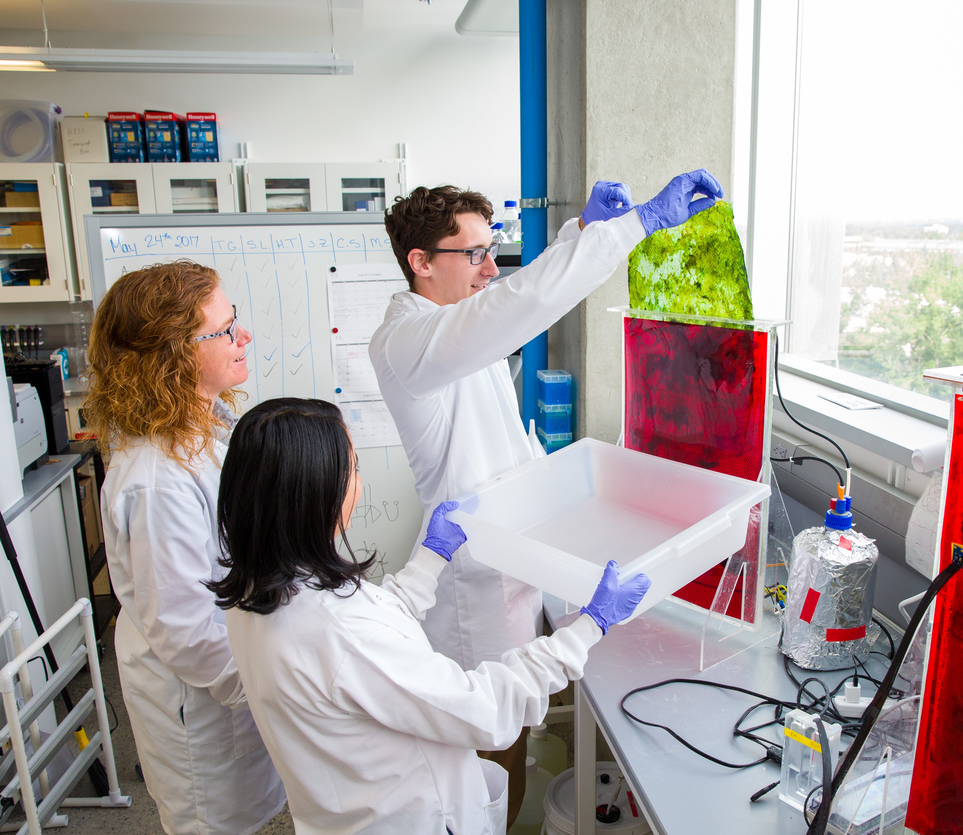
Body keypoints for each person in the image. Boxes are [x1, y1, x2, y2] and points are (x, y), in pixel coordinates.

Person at [370, 170, 722, 819]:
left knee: (514, 736)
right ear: (420, 263)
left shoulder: (452, 322)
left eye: (491, 250)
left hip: (514, 560)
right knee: (489, 749)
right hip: (473, 587)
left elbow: (513, 299)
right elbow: (516, 306)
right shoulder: (410, 341)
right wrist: (628, 228)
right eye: (473, 254)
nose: (489, 269)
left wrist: (581, 233)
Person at [210, 397, 650, 835]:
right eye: (354, 469)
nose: (359, 484)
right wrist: (588, 628)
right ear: (317, 495)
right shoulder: (340, 634)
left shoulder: (256, 592)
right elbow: (485, 710)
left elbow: (378, 627)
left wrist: (432, 557)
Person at [86, 262, 287, 834]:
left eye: (235, 321)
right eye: (224, 330)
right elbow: (185, 630)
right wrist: (278, 694)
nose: (242, 337)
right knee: (213, 822)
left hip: (235, 669)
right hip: (199, 701)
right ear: (170, 355)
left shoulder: (205, 424)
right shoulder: (156, 480)